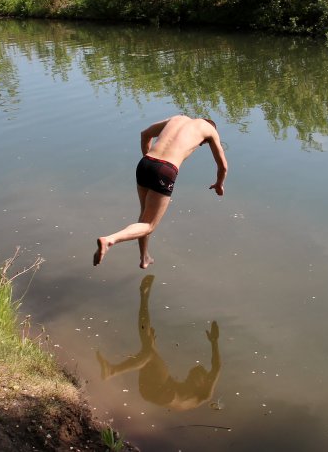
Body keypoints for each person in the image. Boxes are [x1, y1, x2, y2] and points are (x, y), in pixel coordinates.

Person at [93, 115, 228, 269]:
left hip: (145, 163)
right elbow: (223, 166)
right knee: (149, 224)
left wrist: (149, 163)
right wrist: (219, 184)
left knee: (144, 217)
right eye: (202, 143)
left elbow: (144, 134)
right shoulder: (210, 130)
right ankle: (110, 240)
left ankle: (144, 257)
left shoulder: (178, 118)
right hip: (166, 170)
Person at [96, 275, 221, 410]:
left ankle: (113, 370)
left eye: (193, 377)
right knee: (148, 343)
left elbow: (217, 367)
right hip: (151, 392)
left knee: (149, 352)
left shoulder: (204, 395)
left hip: (165, 394)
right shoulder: (195, 392)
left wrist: (214, 342)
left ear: (203, 382)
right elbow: (214, 367)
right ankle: (144, 298)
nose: (190, 378)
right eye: (191, 376)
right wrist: (213, 342)